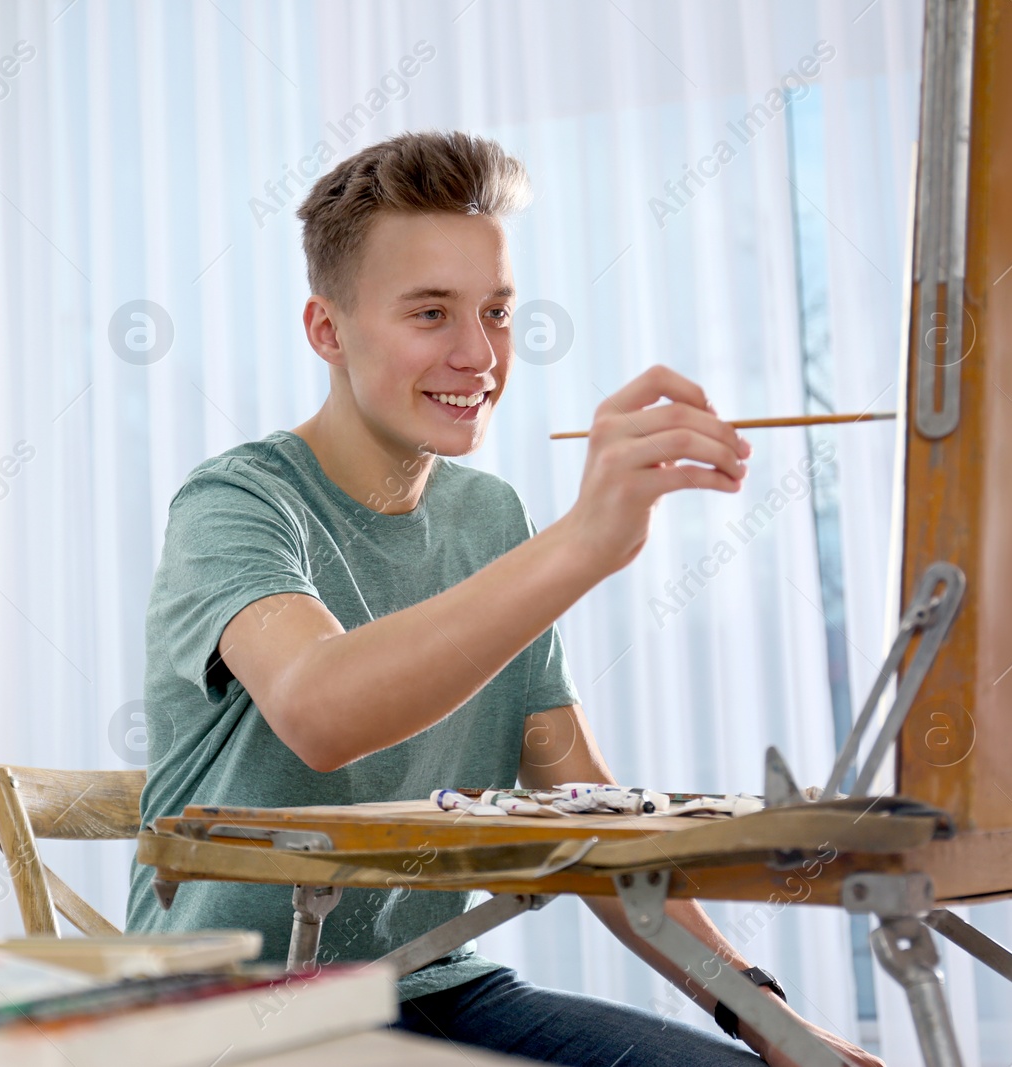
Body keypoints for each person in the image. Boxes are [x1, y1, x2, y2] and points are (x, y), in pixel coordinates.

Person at [125, 129, 881, 1067]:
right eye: (431, 313)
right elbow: (321, 709)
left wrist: (757, 1009)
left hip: (438, 981)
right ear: (328, 329)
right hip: (237, 1008)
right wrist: (579, 545)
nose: (479, 355)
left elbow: (585, 813)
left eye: (497, 311)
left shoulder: (489, 516)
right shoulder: (236, 501)